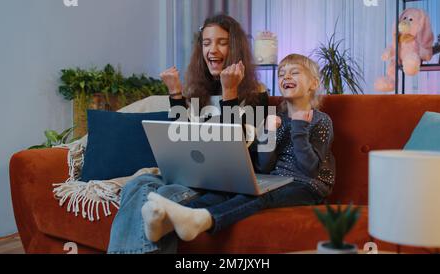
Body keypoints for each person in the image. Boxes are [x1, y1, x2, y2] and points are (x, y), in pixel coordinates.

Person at [107, 14, 269, 254]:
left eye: (222, 42)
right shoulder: (198, 93)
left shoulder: (257, 95)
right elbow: (179, 138)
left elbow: (235, 149)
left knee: (162, 195)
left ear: (234, 48)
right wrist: (175, 94)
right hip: (189, 176)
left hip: (224, 185)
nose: (212, 49)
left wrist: (230, 92)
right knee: (138, 184)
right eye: (206, 43)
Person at [141, 54, 336, 245]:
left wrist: (300, 128)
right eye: (282, 73)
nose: (286, 77)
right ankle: (169, 220)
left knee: (260, 196)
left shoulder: (321, 120)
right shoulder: (275, 117)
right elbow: (266, 166)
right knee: (226, 192)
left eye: (294, 72)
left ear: (314, 84)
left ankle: (204, 219)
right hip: (277, 179)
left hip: (307, 186)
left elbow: (309, 169)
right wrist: (268, 133)